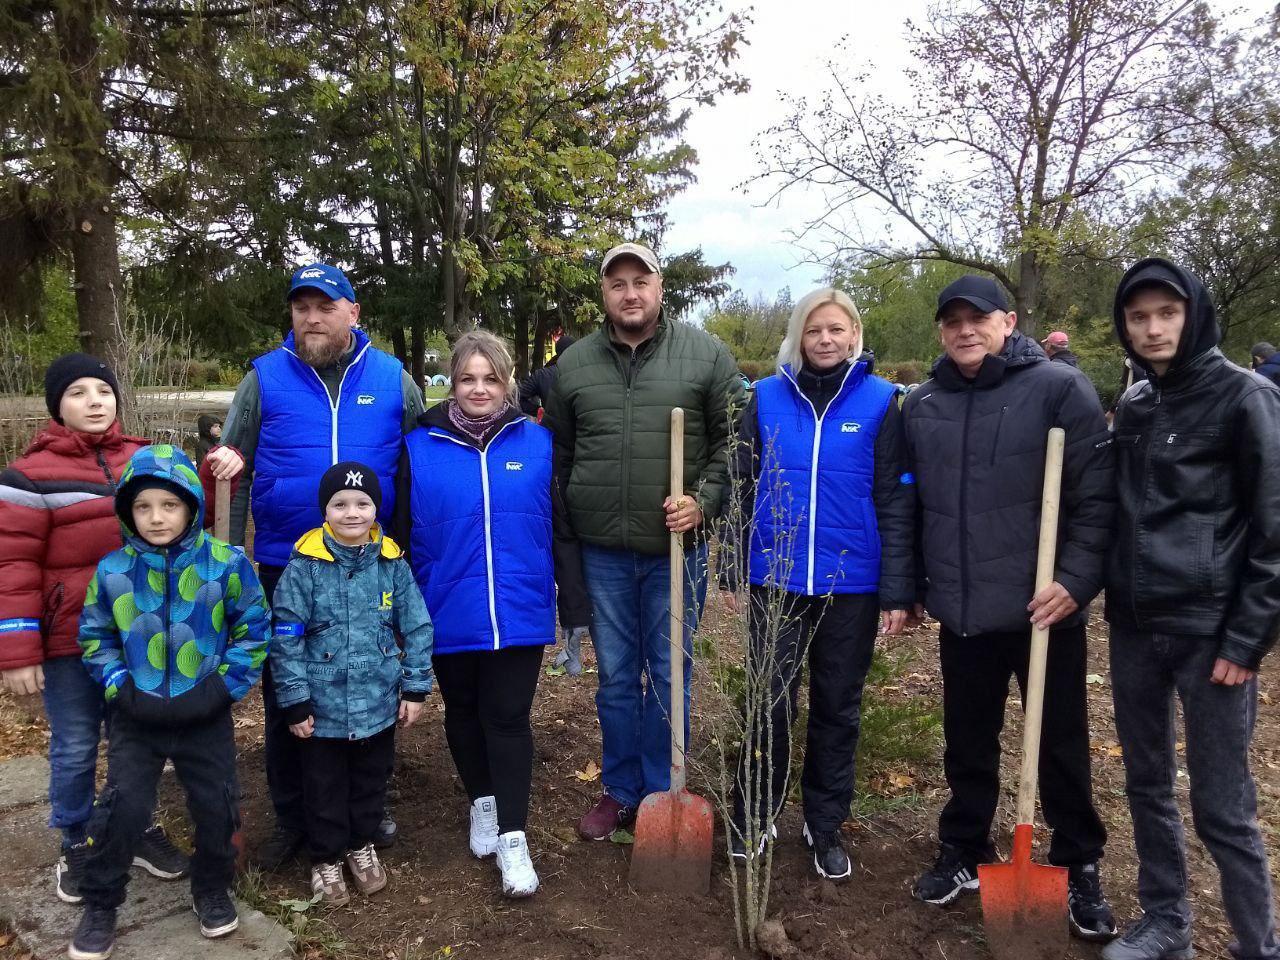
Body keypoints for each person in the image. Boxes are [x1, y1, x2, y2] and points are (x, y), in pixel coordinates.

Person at [902, 275, 1117, 942]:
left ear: (1009, 320)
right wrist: (912, 584)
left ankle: (1077, 862)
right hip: (964, 608)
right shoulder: (925, 402)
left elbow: (1097, 499)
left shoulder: (1058, 389)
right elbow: (909, 502)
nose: (965, 329)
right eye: (952, 320)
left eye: (978, 317)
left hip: (1042, 609)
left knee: (1058, 746)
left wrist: (1076, 581)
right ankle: (966, 848)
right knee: (967, 741)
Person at [206, 262, 425, 868]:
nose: (312, 317)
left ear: (353, 313)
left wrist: (405, 553)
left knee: (369, 681)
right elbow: (234, 468)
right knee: (289, 694)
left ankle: (364, 808)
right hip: (285, 564)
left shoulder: (392, 380)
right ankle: (295, 817)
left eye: (324, 306)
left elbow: (417, 472)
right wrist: (227, 562)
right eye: (301, 307)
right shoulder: (264, 379)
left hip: (368, 566)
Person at [1102, 259, 1280, 960]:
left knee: (1223, 804)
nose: (1152, 328)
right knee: (1146, 783)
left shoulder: (1247, 398)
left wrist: (1247, 639)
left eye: (1165, 314)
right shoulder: (1138, 406)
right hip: (1135, 630)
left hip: (1212, 636)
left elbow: (1273, 531)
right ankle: (1165, 920)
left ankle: (1256, 942)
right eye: (1138, 317)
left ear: (1192, 314)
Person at [543, 241, 745, 841]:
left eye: (641, 281)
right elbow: (561, 453)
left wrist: (703, 501)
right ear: (603, 294)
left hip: (675, 552)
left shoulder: (705, 355)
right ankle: (621, 789)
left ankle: (663, 787)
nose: (630, 293)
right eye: (617, 284)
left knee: (668, 670)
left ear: (660, 287)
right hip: (603, 550)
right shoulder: (574, 365)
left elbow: (735, 440)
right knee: (615, 676)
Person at [717, 288, 916, 881]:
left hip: (849, 582)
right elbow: (741, 485)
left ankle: (824, 822)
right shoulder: (766, 398)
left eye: (837, 329)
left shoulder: (883, 403)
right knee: (769, 702)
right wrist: (731, 565)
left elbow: (894, 498)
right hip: (776, 579)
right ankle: (758, 811)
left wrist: (897, 589)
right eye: (813, 331)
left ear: (855, 334)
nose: (825, 340)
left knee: (837, 705)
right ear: (798, 338)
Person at [398, 331, 590, 896]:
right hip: (445, 605)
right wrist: (402, 613)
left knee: (506, 719)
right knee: (461, 711)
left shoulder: (538, 443)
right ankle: (482, 801)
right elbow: (402, 537)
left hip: (518, 607)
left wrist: (574, 604)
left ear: (507, 381)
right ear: (451, 383)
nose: (478, 389)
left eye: (490, 378)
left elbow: (560, 526)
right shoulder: (418, 446)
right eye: (466, 378)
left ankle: (513, 838)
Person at [0, 354, 189, 905]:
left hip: (139, 635)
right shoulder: (27, 476)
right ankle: (75, 838)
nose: (94, 401)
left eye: (102, 391)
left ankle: (134, 825)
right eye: (78, 392)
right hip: (67, 641)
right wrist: (15, 649)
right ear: (56, 406)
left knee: (138, 740)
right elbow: (12, 565)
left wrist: (214, 469)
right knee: (78, 744)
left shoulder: (143, 459)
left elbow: (180, 513)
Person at [69, 445, 269, 960]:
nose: (157, 517)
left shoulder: (226, 565)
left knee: (215, 807)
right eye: (143, 507)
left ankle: (210, 888)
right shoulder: (113, 570)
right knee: (123, 808)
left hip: (203, 711)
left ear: (191, 507)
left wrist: (222, 687)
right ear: (127, 511)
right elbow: (95, 636)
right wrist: (119, 685)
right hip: (137, 716)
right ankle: (102, 901)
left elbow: (253, 630)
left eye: (169, 505)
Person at [270, 461, 433, 905]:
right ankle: (325, 857)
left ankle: (361, 845)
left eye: (363, 503)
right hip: (320, 712)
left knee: (369, 782)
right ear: (325, 510)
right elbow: (286, 636)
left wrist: (415, 687)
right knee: (322, 787)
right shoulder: (304, 566)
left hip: (377, 705)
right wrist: (295, 701)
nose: (352, 513)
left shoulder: (392, 563)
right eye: (339, 503)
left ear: (376, 510)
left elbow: (417, 626)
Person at [517, 333, 576, 419]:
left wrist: (538, 411)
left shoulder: (542, 375)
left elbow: (516, 397)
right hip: (581, 428)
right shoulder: (585, 373)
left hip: (551, 428)